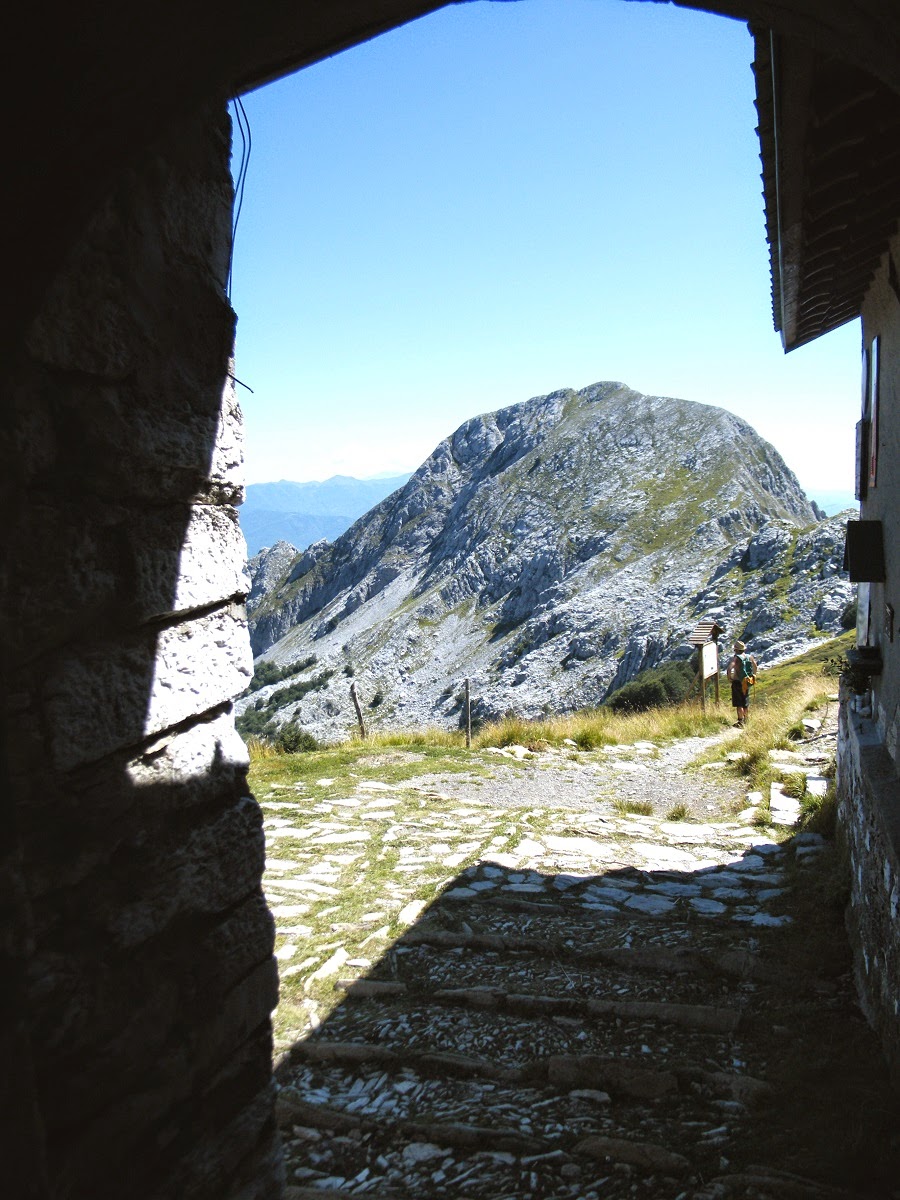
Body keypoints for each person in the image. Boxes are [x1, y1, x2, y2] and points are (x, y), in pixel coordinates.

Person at [726, 639, 757, 727]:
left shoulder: (736, 658)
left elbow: (729, 669)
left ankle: (740, 721)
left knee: (739, 703)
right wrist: (753, 675)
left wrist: (730, 678)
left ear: (735, 649)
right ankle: (746, 720)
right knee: (745, 702)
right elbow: (755, 665)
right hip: (746, 682)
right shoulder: (749, 657)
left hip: (737, 682)